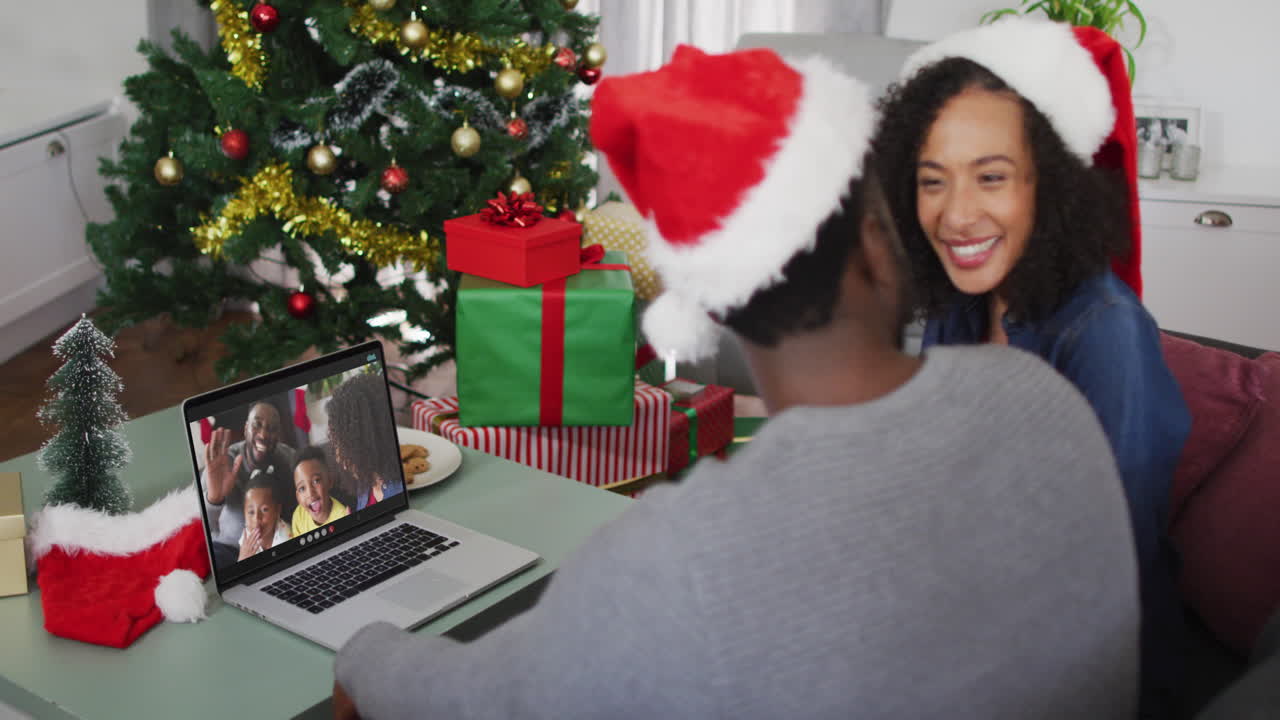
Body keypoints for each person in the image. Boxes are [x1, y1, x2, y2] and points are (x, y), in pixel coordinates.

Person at [333, 45, 1141, 719]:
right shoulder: (1043, 399)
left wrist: (363, 652)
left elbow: (469, 701)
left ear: (712, 305)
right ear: (876, 243)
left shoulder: (677, 560)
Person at [871, 18, 1191, 717]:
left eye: (991, 177)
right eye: (932, 182)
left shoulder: (1104, 332)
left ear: (1052, 185)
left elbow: (1108, 565)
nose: (956, 215)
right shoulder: (963, 305)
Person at [203, 401, 296, 568]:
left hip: (278, 548)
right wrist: (214, 499)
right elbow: (201, 529)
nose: (263, 434)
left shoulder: (290, 460)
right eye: (257, 425)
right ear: (246, 428)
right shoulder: (222, 463)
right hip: (230, 551)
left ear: (278, 434)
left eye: (272, 428)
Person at [325, 372, 403, 510]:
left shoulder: (400, 490)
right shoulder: (366, 482)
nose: (338, 457)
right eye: (336, 444)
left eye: (343, 444)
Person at [290, 445, 350, 537]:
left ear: (330, 481)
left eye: (316, 481)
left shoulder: (342, 515)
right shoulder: (299, 516)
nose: (310, 493)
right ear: (298, 497)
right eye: (302, 488)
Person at [236, 472, 291, 561]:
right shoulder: (248, 536)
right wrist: (242, 558)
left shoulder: (286, 537)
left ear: (277, 510)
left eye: (264, 510)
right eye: (251, 512)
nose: (257, 518)